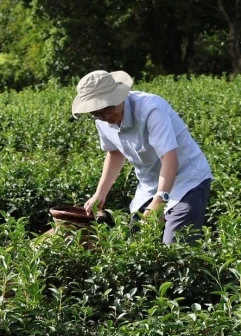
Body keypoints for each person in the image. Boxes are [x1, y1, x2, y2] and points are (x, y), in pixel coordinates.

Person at [72, 70, 213, 243]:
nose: (106, 117)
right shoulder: (102, 120)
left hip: (187, 180)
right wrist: (100, 194)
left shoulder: (151, 109)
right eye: (97, 113)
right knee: (136, 242)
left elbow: (170, 159)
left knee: (175, 245)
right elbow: (115, 152)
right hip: (150, 185)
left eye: (108, 109)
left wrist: (159, 202)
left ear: (119, 97)